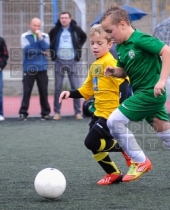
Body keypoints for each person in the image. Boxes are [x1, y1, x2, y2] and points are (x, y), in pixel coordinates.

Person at [101, 6, 170, 188]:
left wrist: (162, 80)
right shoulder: (121, 46)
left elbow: (168, 52)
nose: (109, 36)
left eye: (110, 31)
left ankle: (139, 160)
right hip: (147, 94)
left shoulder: (140, 39)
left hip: (150, 92)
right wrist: (114, 71)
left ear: (123, 24)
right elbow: (125, 70)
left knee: (113, 122)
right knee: (165, 133)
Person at [59, 24, 131, 185]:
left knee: (90, 142)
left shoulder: (111, 62)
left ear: (110, 44)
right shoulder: (95, 66)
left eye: (100, 43)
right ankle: (113, 173)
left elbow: (124, 83)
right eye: (92, 43)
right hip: (98, 113)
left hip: (110, 114)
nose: (95, 47)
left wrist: (121, 108)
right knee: (94, 146)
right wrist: (69, 93)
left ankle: (124, 147)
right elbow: (87, 90)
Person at [48, 12, 87, 120]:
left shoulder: (75, 29)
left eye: (66, 18)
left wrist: (78, 46)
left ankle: (77, 112)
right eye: (62, 18)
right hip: (59, 61)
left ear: (70, 19)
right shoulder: (55, 30)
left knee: (75, 87)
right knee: (58, 88)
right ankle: (57, 112)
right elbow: (50, 40)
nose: (64, 20)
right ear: (60, 19)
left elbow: (84, 36)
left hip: (72, 61)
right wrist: (53, 54)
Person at [18, 18, 51, 121]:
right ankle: (23, 113)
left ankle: (45, 113)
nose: (36, 28)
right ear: (30, 25)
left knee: (43, 91)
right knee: (26, 91)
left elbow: (46, 47)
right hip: (29, 68)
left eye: (38, 26)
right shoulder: (24, 36)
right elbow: (27, 50)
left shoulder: (45, 36)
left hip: (42, 68)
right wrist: (41, 51)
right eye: (34, 25)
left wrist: (40, 37)